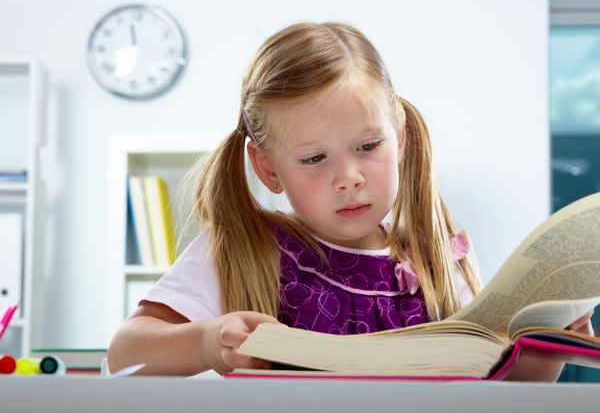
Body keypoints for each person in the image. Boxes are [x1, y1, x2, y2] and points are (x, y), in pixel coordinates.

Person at [108, 22, 594, 379]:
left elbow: (504, 393)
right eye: (315, 158)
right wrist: (207, 342)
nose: (349, 178)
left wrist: (547, 344)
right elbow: (126, 351)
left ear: (399, 140)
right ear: (268, 168)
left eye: (367, 147)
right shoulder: (242, 248)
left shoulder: (439, 260)